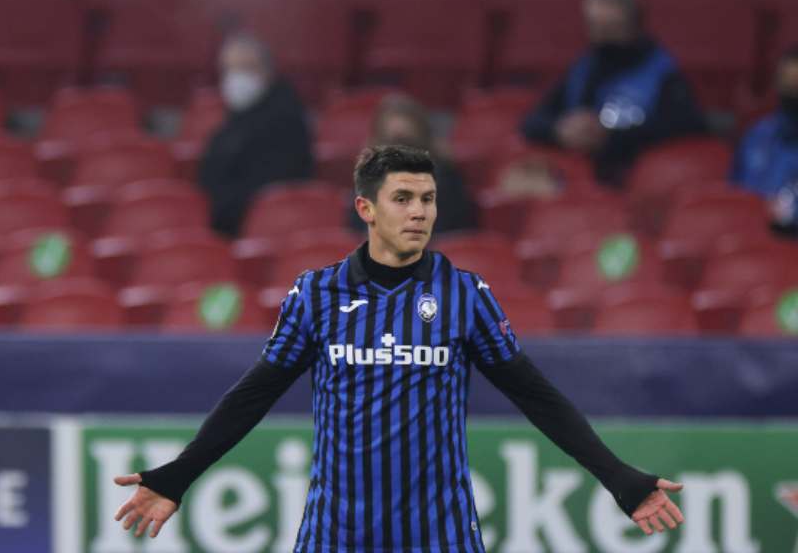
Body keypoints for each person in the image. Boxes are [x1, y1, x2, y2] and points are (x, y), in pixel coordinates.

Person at [114, 145, 686, 549]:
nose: (419, 212)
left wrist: (618, 478)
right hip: (335, 534)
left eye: (428, 199)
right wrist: (178, 475)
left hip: (440, 534)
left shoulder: (464, 294)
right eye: (404, 198)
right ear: (367, 209)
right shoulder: (318, 294)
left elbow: (536, 397)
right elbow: (253, 395)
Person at [521, 0, 707, 186]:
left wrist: (610, 138)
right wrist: (560, 130)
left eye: (612, 28)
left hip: (636, 177)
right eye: (596, 27)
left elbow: (685, 125)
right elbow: (532, 122)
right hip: (578, 180)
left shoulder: (661, 73)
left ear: (635, 28)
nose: (602, 36)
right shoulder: (583, 69)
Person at [198, 33, 314, 237]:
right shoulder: (237, 118)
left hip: (262, 230)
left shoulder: (286, 121)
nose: (236, 78)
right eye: (229, 70)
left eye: (245, 68)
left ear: (267, 71)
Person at [348, 92, 477, 237]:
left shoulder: (446, 179)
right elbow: (357, 233)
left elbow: (455, 232)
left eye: (406, 145)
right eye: (391, 145)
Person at [733, 46, 798, 238]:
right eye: (787, 84)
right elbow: (735, 194)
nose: (792, 93)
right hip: (751, 240)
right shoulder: (758, 135)